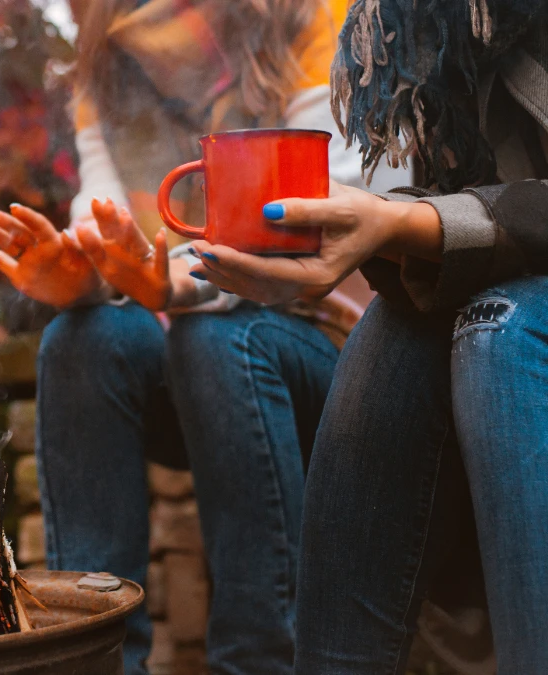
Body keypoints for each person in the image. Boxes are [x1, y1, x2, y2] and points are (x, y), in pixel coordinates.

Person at [0, 1, 406, 673]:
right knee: (81, 337)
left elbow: (333, 220)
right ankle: (93, 657)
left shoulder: (319, 21)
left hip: (340, 362)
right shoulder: (105, 61)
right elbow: (111, 233)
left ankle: (262, 661)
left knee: (216, 337)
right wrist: (80, 279)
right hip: (199, 364)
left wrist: (175, 285)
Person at [181, 0, 548, 671]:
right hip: (493, 265)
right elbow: (460, 196)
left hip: (498, 305)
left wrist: (398, 225)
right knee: (395, 331)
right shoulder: (427, 25)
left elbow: (367, 198)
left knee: (501, 329)